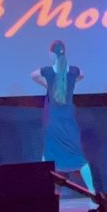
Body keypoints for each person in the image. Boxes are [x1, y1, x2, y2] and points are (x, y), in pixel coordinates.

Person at [31, 40, 94, 192]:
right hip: (69, 119)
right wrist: (70, 84)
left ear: (52, 54)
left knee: (48, 155)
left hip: (54, 120)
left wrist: (47, 85)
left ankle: (44, 190)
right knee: (77, 154)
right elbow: (82, 74)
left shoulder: (48, 71)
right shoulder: (73, 71)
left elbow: (33, 75)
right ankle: (92, 190)